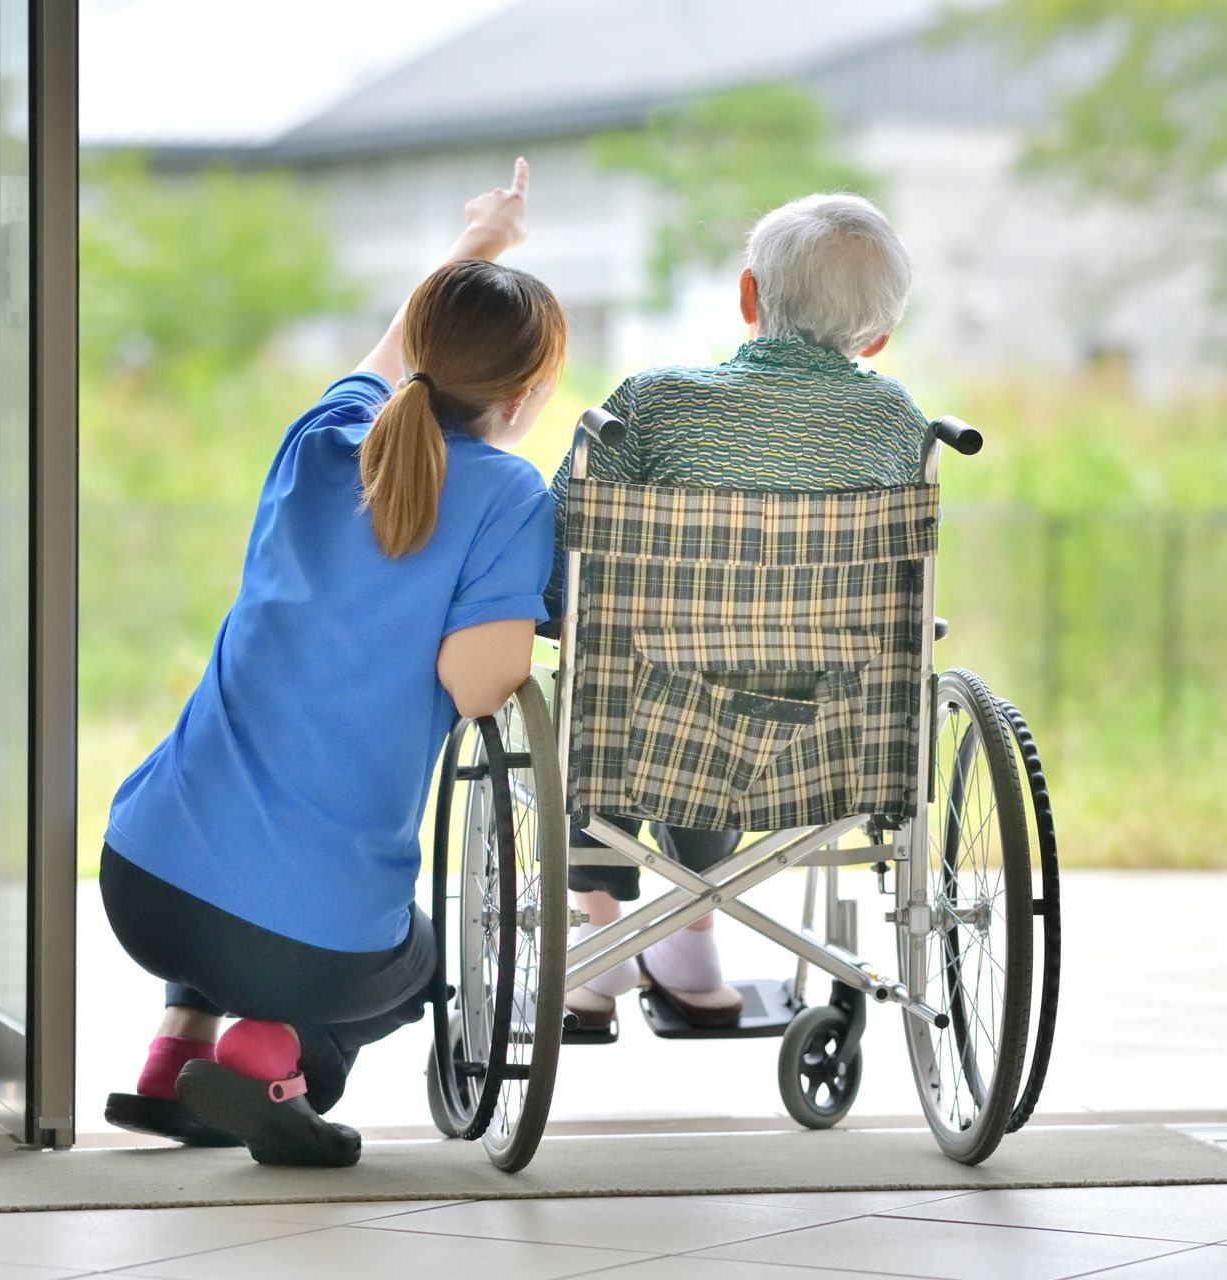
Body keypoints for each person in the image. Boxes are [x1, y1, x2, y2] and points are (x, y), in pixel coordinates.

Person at [100, 160, 563, 1168]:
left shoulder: (319, 439)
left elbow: (395, 347)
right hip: (309, 950)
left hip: (142, 880)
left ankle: (172, 1051)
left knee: (246, 817)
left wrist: (479, 241)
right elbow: (478, 686)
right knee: (418, 962)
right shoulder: (512, 496)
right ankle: (277, 1058)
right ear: (527, 398)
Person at [548, 192, 928, 1034]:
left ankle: (597, 945)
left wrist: (554, 616)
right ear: (879, 336)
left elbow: (570, 536)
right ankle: (690, 943)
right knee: (749, 682)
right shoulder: (899, 424)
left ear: (750, 296)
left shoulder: (654, 402)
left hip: (648, 711)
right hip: (826, 721)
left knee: (609, 675)